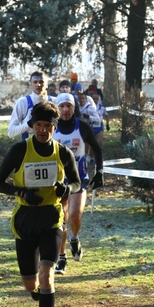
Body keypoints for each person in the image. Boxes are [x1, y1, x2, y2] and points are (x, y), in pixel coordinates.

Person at [0, 101, 81, 307]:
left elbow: (76, 183)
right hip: (24, 221)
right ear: (32, 126)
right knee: (30, 284)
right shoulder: (19, 150)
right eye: (39, 125)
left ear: (54, 128)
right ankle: (39, 295)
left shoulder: (64, 153)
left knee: (47, 275)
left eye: (48, 126)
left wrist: (67, 189)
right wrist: (20, 191)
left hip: (51, 220)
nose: (43, 130)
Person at [53, 93, 103, 274]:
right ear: (57, 109)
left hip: (78, 178)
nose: (65, 110)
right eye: (62, 106)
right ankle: (61, 258)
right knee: (60, 219)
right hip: (57, 180)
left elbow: (97, 149)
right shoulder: (51, 127)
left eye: (69, 106)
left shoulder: (82, 127)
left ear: (74, 108)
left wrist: (99, 171)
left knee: (74, 216)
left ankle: (74, 238)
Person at [7, 71, 56, 140]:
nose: (38, 85)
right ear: (31, 85)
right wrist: (28, 124)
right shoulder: (23, 102)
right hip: (29, 148)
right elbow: (11, 132)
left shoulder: (55, 102)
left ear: (47, 84)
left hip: (50, 147)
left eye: (41, 82)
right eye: (35, 82)